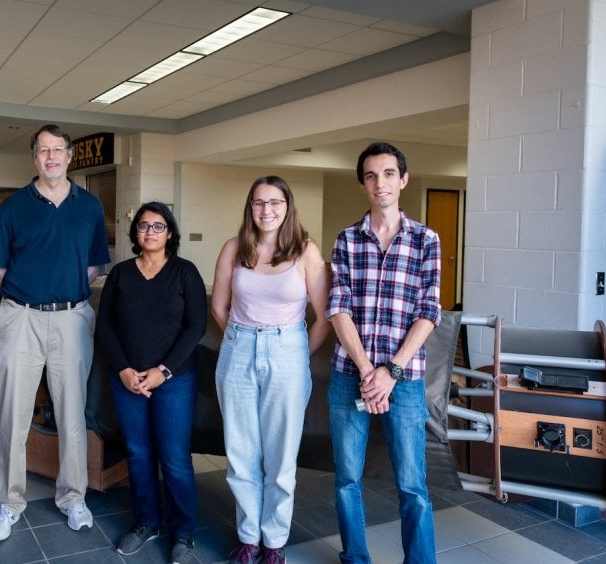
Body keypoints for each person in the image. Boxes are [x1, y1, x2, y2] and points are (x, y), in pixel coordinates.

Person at [0, 124, 110, 542]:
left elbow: (93, 267)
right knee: (13, 415)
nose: (51, 157)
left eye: (58, 150)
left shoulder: (89, 206)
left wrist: (61, 295)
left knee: (72, 414)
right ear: (34, 157)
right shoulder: (15, 206)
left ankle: (73, 497)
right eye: (43, 151)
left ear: (70, 156)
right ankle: (8, 502)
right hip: (20, 316)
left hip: (72, 318)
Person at [326, 142, 441, 564]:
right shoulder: (346, 240)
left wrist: (389, 371)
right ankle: (355, 558)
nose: (380, 183)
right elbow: (338, 307)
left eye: (389, 173)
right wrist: (366, 370)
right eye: (371, 175)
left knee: (412, 484)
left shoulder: (426, 240)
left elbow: (429, 312)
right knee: (346, 480)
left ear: (403, 180)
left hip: (405, 381)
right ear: (363, 184)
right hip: (348, 375)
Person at [211, 176, 329, 564]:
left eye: (275, 202)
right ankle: (248, 537)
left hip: (288, 350)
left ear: (287, 206)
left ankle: (274, 542)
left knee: (280, 457)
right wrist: (241, 340)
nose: (267, 210)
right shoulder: (234, 248)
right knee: (241, 451)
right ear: (250, 207)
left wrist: (296, 351)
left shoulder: (306, 252)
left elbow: (324, 317)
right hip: (239, 348)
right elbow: (219, 307)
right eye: (259, 203)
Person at [97, 202, 207, 564]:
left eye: (158, 226)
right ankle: (146, 522)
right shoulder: (121, 274)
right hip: (127, 379)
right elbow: (106, 327)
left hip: (173, 380)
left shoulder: (184, 273)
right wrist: (124, 369)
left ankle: (184, 533)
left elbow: (196, 328)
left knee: (174, 457)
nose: (150, 232)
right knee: (139, 454)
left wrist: (163, 370)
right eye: (143, 226)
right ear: (135, 234)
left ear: (170, 233)